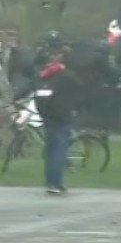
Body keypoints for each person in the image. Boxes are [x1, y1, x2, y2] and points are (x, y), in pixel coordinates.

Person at [34, 48, 78, 195]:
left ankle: (49, 182)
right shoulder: (66, 77)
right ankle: (57, 183)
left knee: (50, 150)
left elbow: (38, 97)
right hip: (62, 118)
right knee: (59, 150)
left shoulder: (44, 77)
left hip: (48, 118)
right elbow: (77, 91)